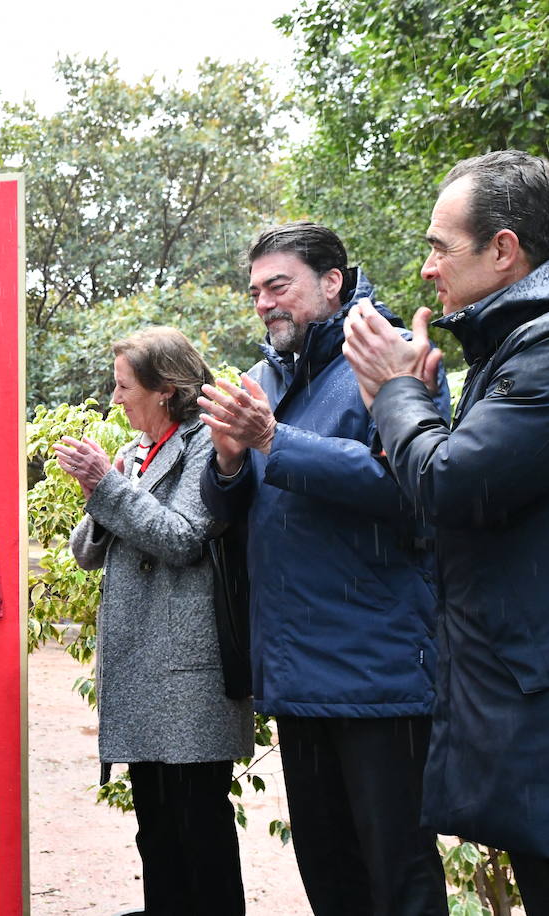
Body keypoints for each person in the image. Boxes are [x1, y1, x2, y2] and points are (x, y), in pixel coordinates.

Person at [196, 222, 449, 915]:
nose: (263, 303)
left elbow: (410, 487)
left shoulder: (390, 357)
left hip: (379, 673)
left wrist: (273, 438)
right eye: (255, 292)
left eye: (279, 286)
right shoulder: (263, 378)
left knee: (400, 878)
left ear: (332, 282)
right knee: (329, 877)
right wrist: (226, 459)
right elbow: (232, 506)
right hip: (295, 672)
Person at [343, 149, 549, 911]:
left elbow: (451, 483)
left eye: (440, 246)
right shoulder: (508, 346)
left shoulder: (541, 349)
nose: (429, 267)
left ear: (503, 250)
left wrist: (395, 392)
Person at [55, 327, 252, 916]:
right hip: (146, 672)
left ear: (165, 391)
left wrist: (110, 484)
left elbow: (183, 537)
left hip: (187, 673)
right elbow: (86, 553)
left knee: (200, 830)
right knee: (157, 832)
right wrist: (109, 482)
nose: (115, 400)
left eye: (123, 387)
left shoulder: (203, 442)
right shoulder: (145, 448)